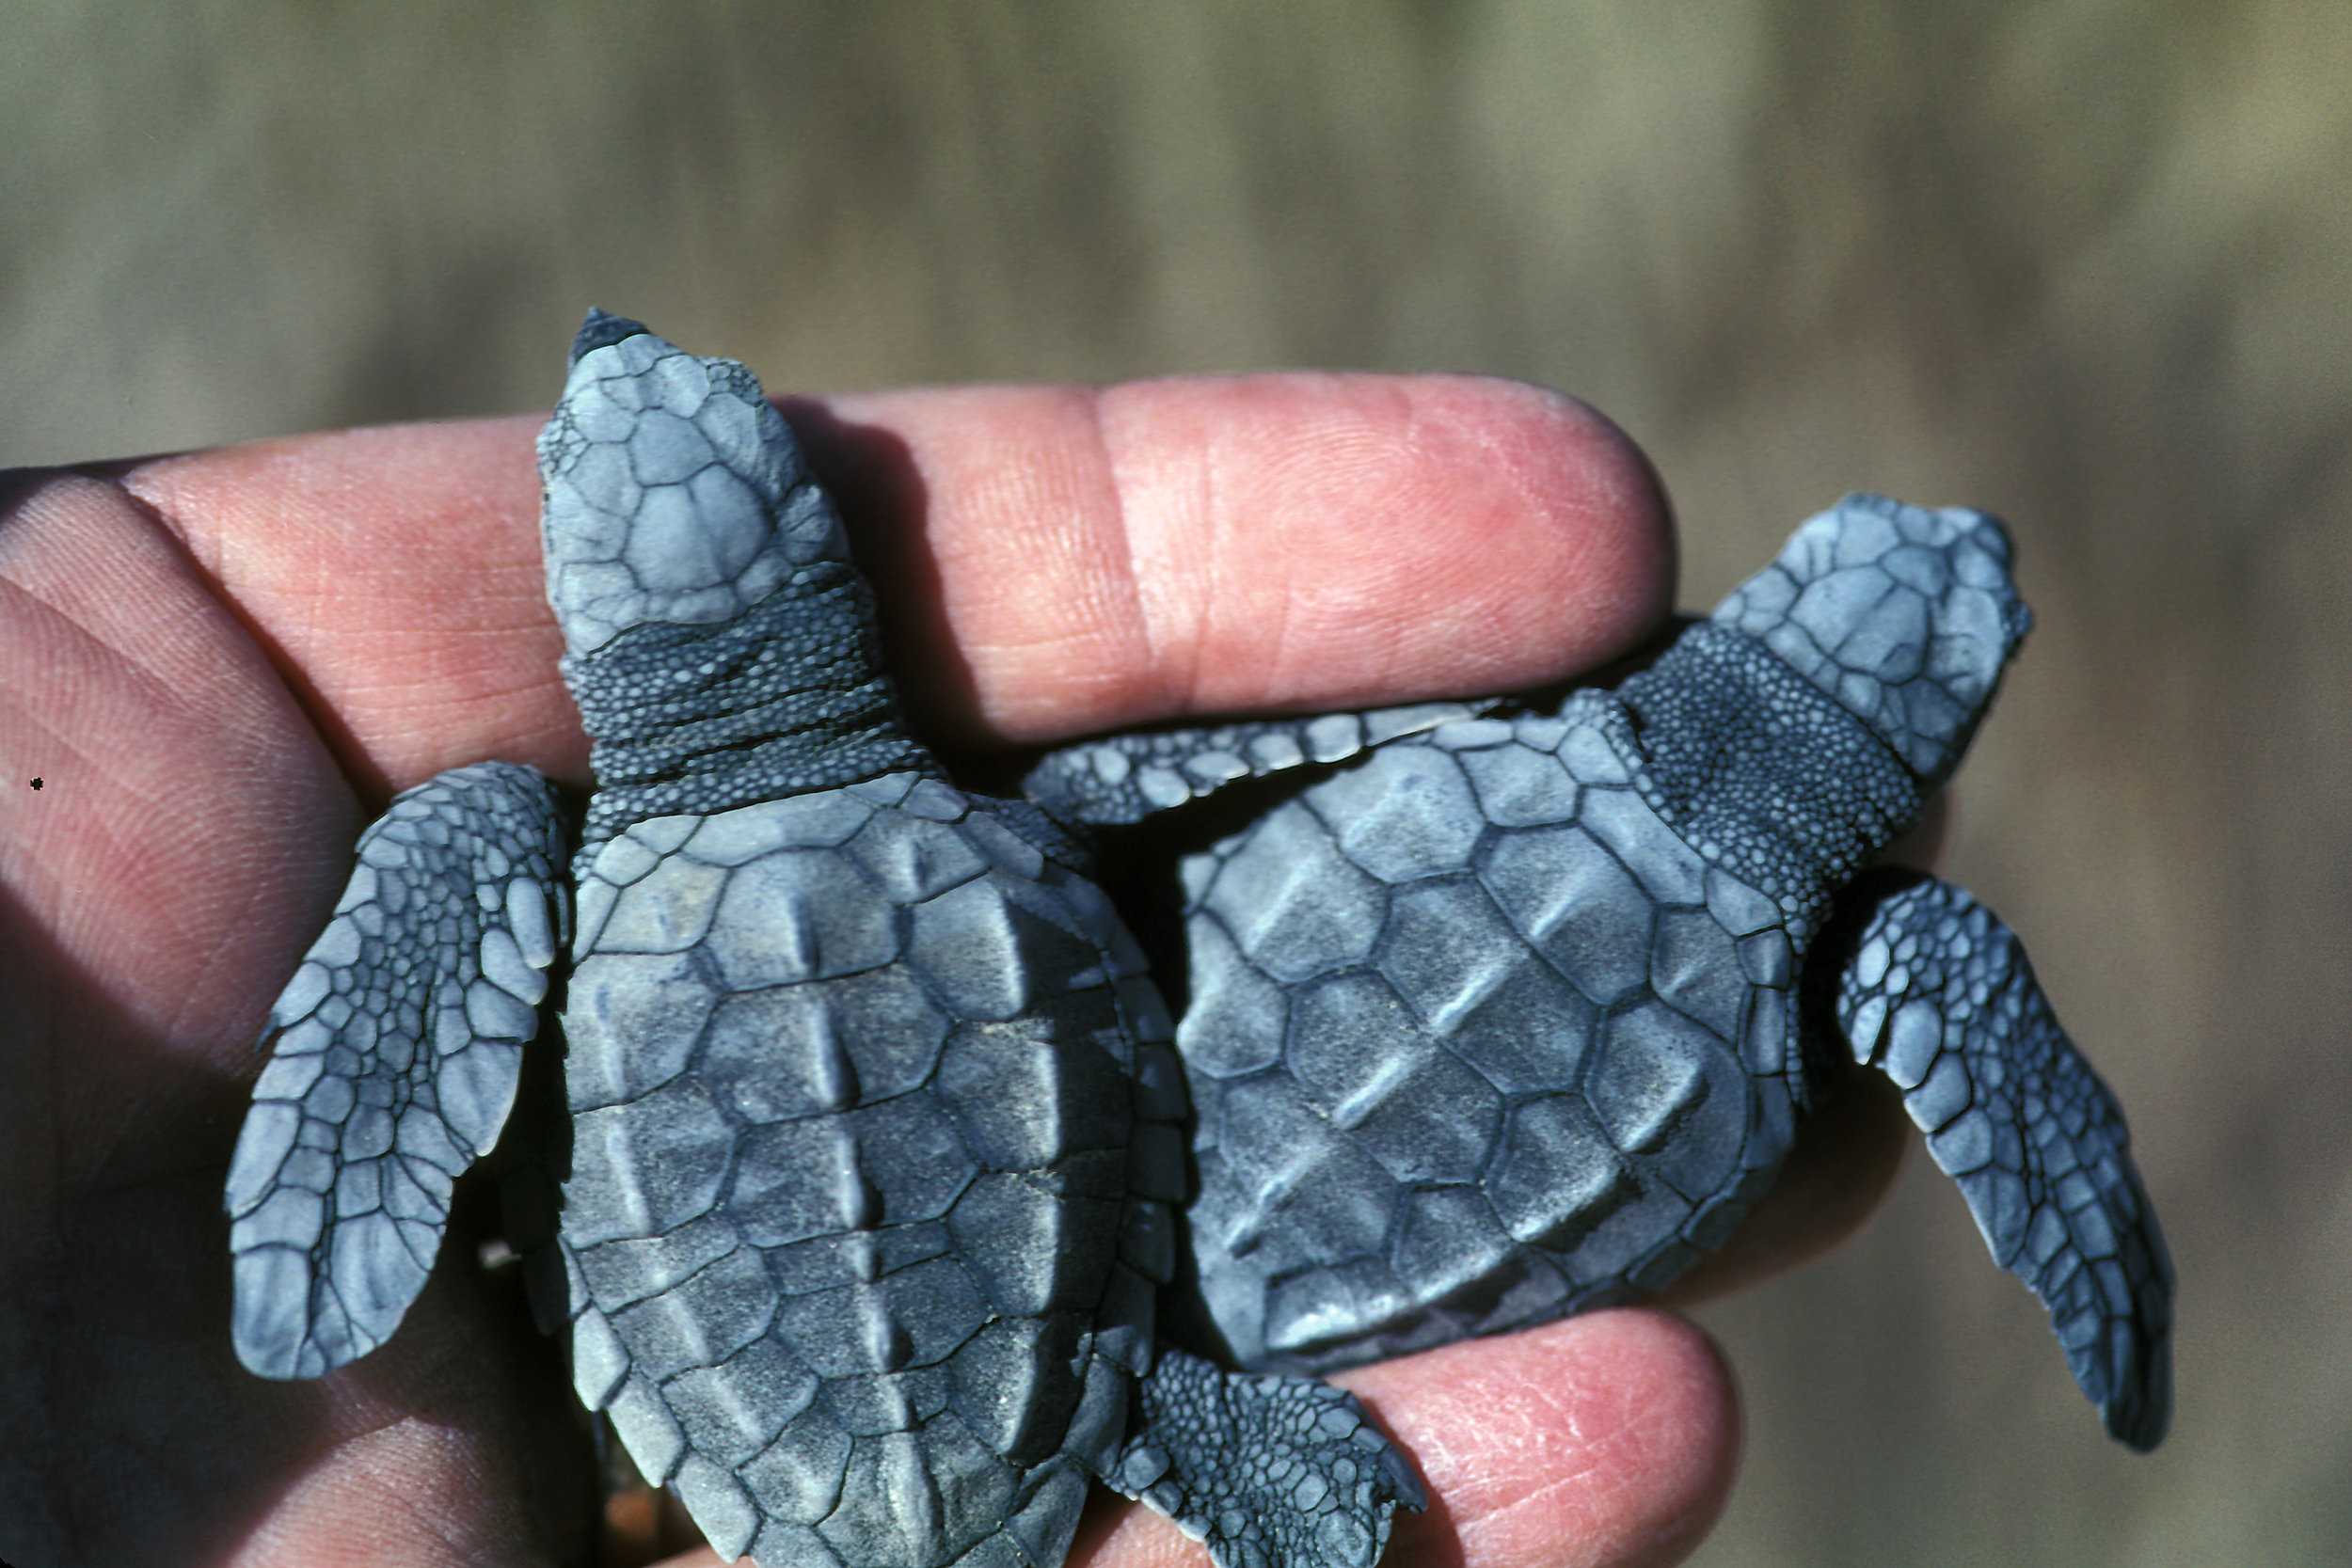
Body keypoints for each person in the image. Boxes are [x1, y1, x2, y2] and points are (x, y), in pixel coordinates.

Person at [0, 371, 1910, 1567]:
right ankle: (1170, 1432)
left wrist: (327, 1217)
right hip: (1055, 1387)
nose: (603, 352)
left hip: (736, 1419)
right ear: (810, 574)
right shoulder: (1005, 827)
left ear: (609, 620)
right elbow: (1176, 892)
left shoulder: (506, 837)